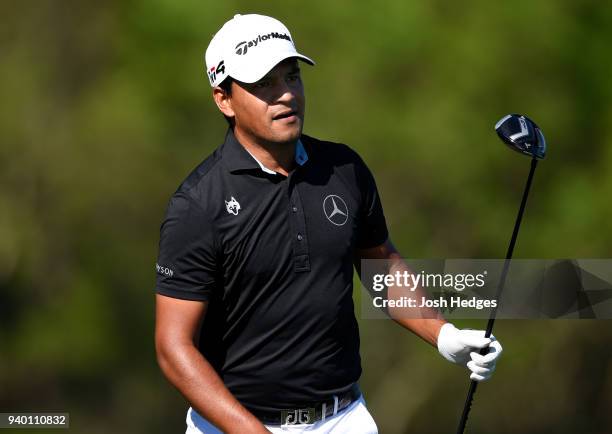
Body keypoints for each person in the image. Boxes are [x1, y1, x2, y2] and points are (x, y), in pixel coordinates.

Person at [154, 13, 503, 434]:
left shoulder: (343, 168)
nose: (286, 95)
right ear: (223, 99)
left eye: (292, 76)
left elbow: (382, 266)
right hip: (233, 426)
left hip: (344, 418)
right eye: (265, 83)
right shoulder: (198, 204)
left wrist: (443, 334)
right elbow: (174, 349)